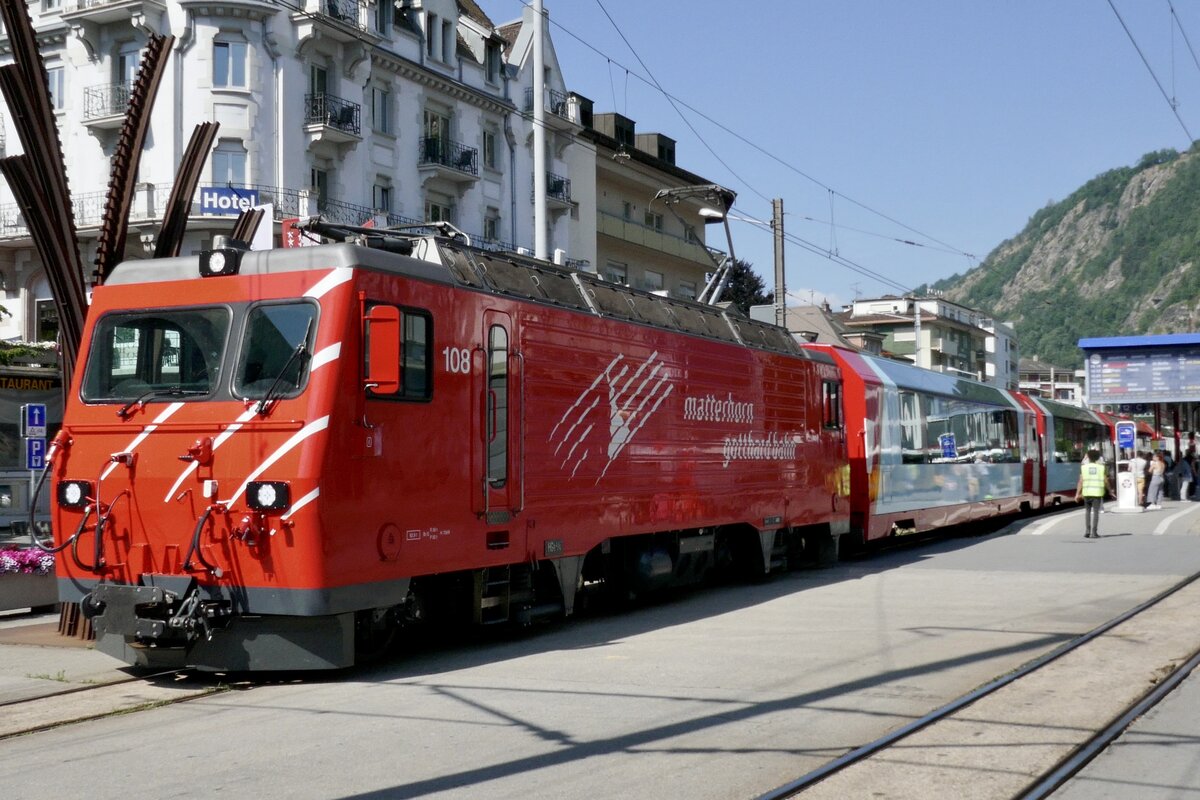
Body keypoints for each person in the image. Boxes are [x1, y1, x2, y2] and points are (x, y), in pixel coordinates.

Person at [1075, 448, 1109, 539]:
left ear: (1088, 457)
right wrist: (1111, 490)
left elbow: (1080, 481)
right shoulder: (1102, 467)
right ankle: (1094, 532)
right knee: (1096, 512)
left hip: (1086, 492)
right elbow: (1106, 480)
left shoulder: (1083, 467)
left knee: (1087, 511)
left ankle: (1087, 531)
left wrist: (1077, 494)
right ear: (1098, 458)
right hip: (1097, 493)